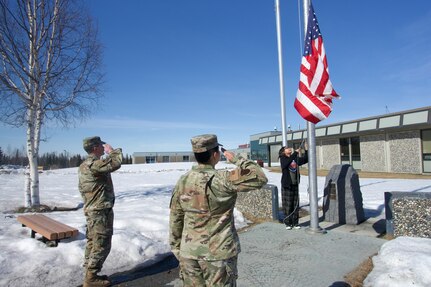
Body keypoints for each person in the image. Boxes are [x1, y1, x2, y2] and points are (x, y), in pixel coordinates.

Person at [169, 134, 268, 286]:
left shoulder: (183, 180)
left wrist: (179, 249)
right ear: (215, 154)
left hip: (189, 254)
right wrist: (236, 159)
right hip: (218, 255)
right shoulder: (223, 179)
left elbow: (176, 217)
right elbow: (260, 177)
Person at [78, 136, 122, 287]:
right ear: (95, 147)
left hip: (94, 210)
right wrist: (113, 151)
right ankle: (90, 279)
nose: (104, 148)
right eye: (102, 146)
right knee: (102, 244)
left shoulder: (84, 165)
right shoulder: (94, 164)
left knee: (93, 242)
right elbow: (115, 164)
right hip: (99, 211)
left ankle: (91, 273)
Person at [279, 143, 308, 230]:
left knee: (295, 204)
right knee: (288, 205)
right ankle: (288, 222)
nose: (289, 149)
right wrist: (295, 153)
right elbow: (285, 164)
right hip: (287, 185)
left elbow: (305, 159)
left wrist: (306, 150)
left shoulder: (294, 158)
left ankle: (295, 222)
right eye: (287, 148)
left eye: (289, 148)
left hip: (295, 184)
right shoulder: (283, 158)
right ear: (283, 152)